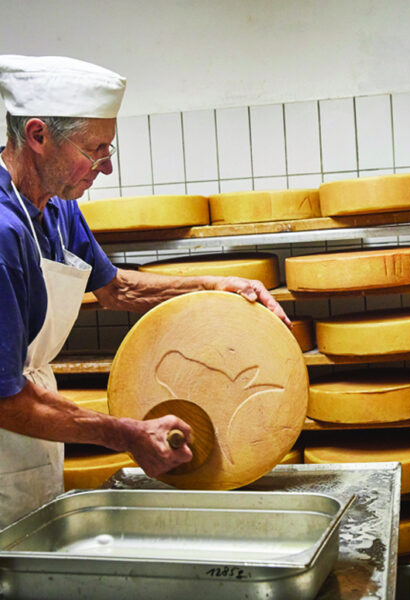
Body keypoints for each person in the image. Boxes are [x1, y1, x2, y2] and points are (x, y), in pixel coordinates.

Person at [0, 55, 290, 527]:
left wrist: (212, 284)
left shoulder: (57, 209)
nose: (106, 168)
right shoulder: (2, 233)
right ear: (37, 136)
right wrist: (128, 434)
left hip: (30, 419)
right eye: (95, 150)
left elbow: (118, 290)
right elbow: (5, 399)